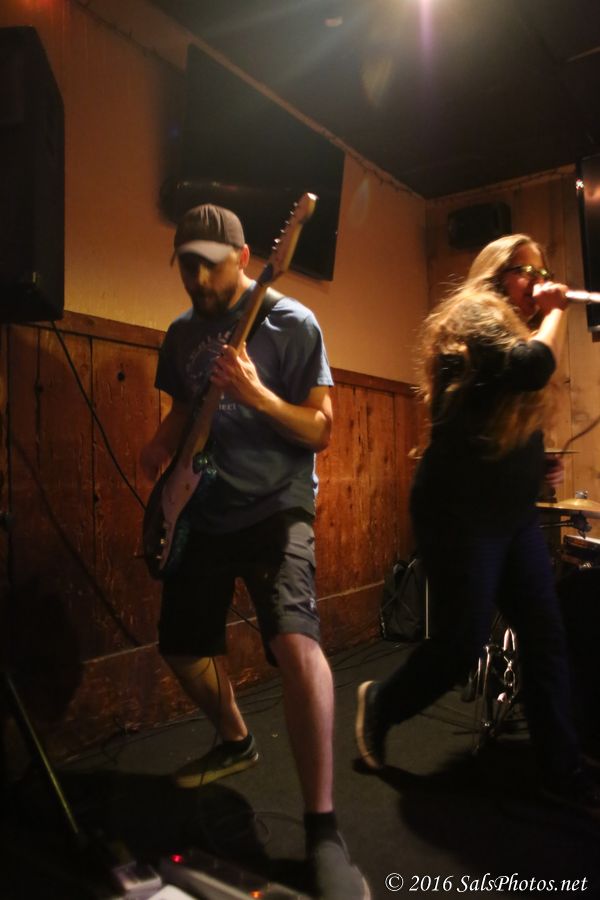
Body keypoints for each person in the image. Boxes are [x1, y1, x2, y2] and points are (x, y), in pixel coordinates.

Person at [140, 204, 369, 899]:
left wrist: (258, 395)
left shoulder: (292, 323)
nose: (198, 277)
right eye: (187, 264)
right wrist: (160, 448)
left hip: (277, 506)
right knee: (182, 648)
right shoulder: (180, 334)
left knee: (296, 644)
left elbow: (321, 429)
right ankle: (236, 737)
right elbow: (184, 410)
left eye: (210, 263)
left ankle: (323, 829)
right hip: (203, 511)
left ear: (244, 258)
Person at [355, 233, 600, 816]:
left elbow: (497, 418)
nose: (538, 281)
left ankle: (561, 770)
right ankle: (382, 703)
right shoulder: (474, 314)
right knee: (460, 644)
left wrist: (532, 464)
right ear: (496, 274)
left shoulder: (511, 333)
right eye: (526, 271)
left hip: (510, 515)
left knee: (545, 635)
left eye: (543, 271)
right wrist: (557, 310)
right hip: (458, 511)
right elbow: (532, 367)